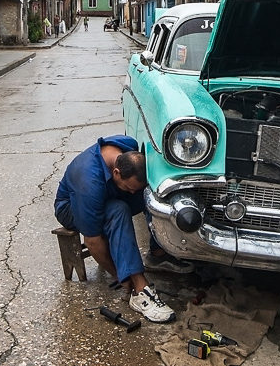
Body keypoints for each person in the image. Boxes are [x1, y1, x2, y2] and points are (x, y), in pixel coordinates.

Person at [54, 135, 193, 323]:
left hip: (106, 193)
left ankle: (159, 252)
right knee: (119, 210)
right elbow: (92, 241)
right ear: (117, 172)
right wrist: (120, 276)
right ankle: (139, 289)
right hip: (71, 206)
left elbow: (137, 187)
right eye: (129, 188)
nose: (132, 192)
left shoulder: (128, 146)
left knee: (150, 194)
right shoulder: (89, 184)